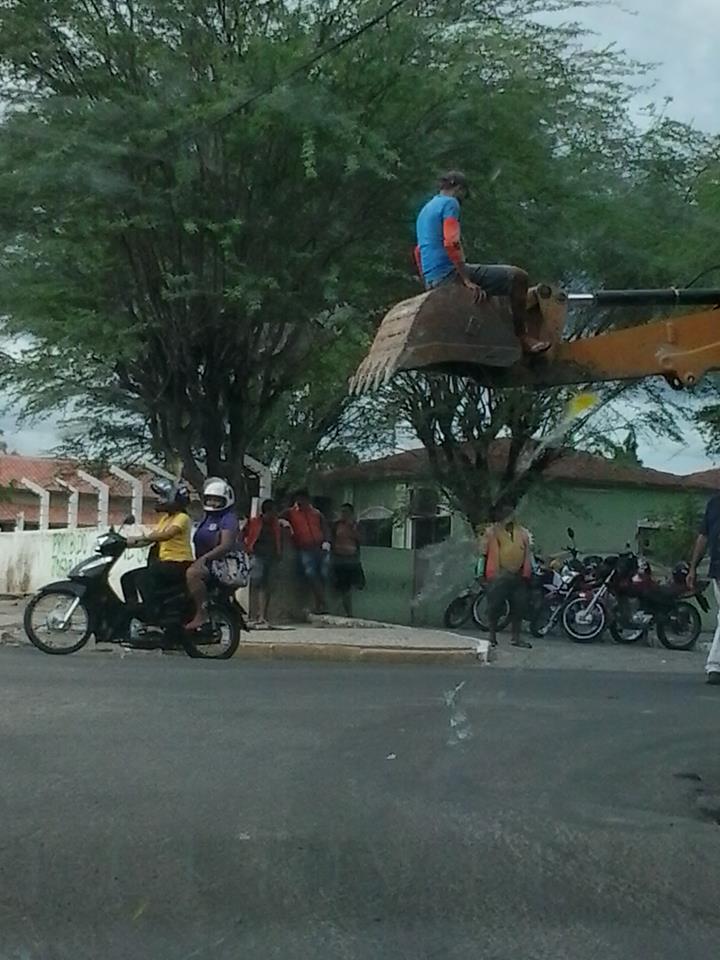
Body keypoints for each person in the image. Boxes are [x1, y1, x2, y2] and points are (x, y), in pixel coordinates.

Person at [414, 171, 550, 355]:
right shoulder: (450, 203)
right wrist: (466, 280)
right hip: (449, 273)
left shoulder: (425, 210)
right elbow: (451, 242)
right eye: (465, 193)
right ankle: (523, 337)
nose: (464, 198)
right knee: (518, 277)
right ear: (459, 188)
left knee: (488, 286)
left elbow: (418, 251)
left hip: (433, 278)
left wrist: (427, 282)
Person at [121, 480, 193, 617]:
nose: (159, 499)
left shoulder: (182, 517)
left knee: (143, 578)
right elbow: (151, 538)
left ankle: (152, 613)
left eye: (163, 496)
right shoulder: (165, 519)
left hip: (178, 563)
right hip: (165, 563)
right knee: (127, 577)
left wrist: (142, 537)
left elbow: (167, 534)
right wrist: (124, 543)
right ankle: (133, 612)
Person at [185, 477, 239, 631]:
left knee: (192, 574)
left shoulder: (228, 518)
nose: (212, 503)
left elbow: (226, 545)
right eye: (210, 499)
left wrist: (203, 559)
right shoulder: (207, 517)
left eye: (217, 500)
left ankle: (201, 613)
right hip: (206, 562)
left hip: (222, 564)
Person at [480, 502, 533, 649]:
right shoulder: (492, 532)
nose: (510, 517)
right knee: (495, 607)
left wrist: (527, 572)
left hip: (518, 576)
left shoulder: (522, 533)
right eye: (506, 514)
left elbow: (528, 553)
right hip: (498, 575)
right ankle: (492, 637)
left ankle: (516, 638)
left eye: (512, 514)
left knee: (520, 606)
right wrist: (480, 573)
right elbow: (483, 554)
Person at [687, 494, 720, 684]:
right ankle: (715, 665)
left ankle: (715, 665)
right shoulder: (714, 504)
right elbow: (703, 537)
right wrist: (693, 567)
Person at [283, 489, 331, 614]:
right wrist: (285, 524)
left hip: (320, 547)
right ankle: (322, 602)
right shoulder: (290, 513)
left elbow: (325, 528)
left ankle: (319, 604)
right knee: (311, 573)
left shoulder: (316, 513)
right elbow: (278, 519)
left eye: (302, 499)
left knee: (323, 574)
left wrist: (327, 541)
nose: (300, 502)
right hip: (305, 548)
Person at [245, 499, 283, 624]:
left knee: (266, 586)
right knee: (257, 584)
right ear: (268, 511)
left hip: (271, 557)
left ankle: (262, 615)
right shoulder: (254, 522)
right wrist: (247, 549)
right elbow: (243, 534)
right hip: (257, 556)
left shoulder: (276, 524)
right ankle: (254, 614)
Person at [331, 503, 366, 617]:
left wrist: (352, 528)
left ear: (351, 513)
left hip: (352, 560)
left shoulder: (356, 525)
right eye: (342, 512)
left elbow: (361, 539)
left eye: (346, 512)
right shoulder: (336, 525)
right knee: (343, 587)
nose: (343, 514)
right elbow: (331, 539)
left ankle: (347, 606)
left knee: (359, 583)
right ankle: (348, 612)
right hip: (340, 560)